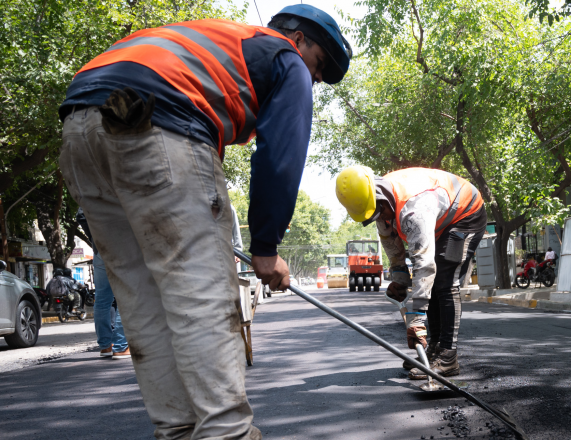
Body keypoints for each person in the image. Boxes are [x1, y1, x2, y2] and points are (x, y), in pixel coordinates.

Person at [58, 5, 352, 438]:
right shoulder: (285, 57)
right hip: (157, 118)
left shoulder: (213, 41)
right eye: (320, 65)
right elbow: (280, 157)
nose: (316, 79)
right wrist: (266, 248)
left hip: (79, 128)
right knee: (202, 297)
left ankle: (177, 431)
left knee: (142, 304)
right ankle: (226, 432)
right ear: (299, 39)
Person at [335, 166, 486, 379]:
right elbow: (390, 242)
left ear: (381, 199)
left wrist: (416, 319)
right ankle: (434, 348)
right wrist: (400, 278)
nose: (381, 219)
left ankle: (448, 356)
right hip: (440, 219)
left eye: (380, 214)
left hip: (465, 214)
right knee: (433, 282)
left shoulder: (414, 210)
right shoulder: (379, 201)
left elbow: (424, 266)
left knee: (444, 280)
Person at [77, 209, 130, 360]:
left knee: (102, 299)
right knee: (125, 296)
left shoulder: (92, 194)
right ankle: (121, 346)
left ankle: (106, 346)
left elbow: (81, 215)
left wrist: (95, 238)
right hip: (122, 246)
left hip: (100, 247)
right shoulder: (117, 194)